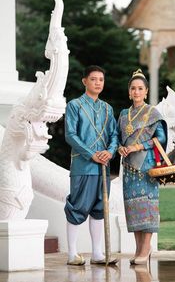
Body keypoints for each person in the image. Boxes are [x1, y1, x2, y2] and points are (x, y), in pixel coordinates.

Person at [64, 65, 118, 266]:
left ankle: (97, 254)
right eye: (93, 79)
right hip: (83, 166)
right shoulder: (74, 105)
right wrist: (91, 155)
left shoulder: (107, 108)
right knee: (77, 208)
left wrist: (110, 152)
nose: (97, 83)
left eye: (101, 80)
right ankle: (72, 254)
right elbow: (71, 135)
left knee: (99, 209)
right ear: (84, 81)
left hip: (103, 168)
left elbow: (114, 135)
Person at [118, 69, 167, 265]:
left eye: (140, 88)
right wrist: (121, 147)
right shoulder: (123, 114)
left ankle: (145, 249)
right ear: (129, 92)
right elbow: (117, 137)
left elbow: (161, 138)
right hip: (129, 167)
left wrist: (140, 145)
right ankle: (140, 250)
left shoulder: (153, 113)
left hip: (146, 167)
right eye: (133, 88)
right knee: (133, 209)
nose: (136, 92)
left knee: (146, 208)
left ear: (146, 91)